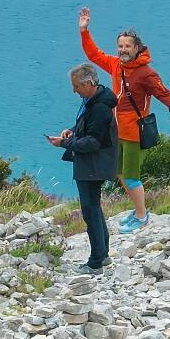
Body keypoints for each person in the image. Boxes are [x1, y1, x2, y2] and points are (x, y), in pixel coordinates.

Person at [78, 7, 170, 233]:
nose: (123, 50)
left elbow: (164, 93)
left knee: (132, 176)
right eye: (120, 46)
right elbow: (93, 55)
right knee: (120, 173)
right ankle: (138, 211)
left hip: (134, 133)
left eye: (127, 47)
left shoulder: (146, 73)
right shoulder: (116, 65)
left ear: (137, 48)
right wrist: (84, 30)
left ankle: (142, 217)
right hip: (116, 131)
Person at [48, 63, 118, 274]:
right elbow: (88, 128)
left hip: (92, 165)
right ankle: (102, 255)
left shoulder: (99, 108)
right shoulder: (95, 100)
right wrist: (71, 131)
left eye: (76, 86)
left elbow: (92, 142)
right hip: (94, 164)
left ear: (88, 83)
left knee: (90, 211)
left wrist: (64, 143)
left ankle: (95, 262)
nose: (74, 90)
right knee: (94, 208)